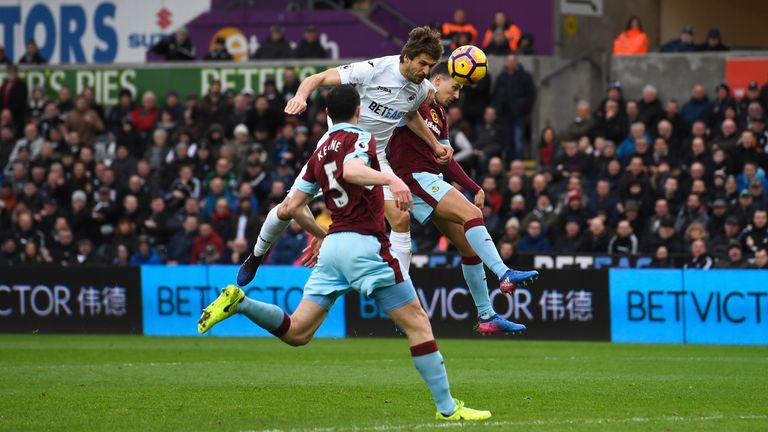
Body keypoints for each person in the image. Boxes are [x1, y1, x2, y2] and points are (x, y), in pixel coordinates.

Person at [198, 85, 491, 422]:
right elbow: (352, 172)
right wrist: (390, 180)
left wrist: (322, 235)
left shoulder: (320, 151)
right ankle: (447, 409)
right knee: (419, 325)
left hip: (335, 247)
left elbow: (292, 206)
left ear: (326, 115)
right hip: (364, 245)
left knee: (297, 333)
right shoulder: (362, 137)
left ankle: (240, 302)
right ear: (358, 111)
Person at [237, 27, 450, 288]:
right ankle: (256, 256)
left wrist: (435, 144)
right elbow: (318, 77)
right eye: (423, 64)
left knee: (402, 218)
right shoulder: (375, 69)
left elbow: (410, 115)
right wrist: (301, 96)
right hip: (339, 146)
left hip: (374, 156)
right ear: (406, 57)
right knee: (288, 209)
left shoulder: (420, 88)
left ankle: (400, 288)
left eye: (430, 66)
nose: (427, 71)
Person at [388, 61, 538, 334]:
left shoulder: (441, 116)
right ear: (436, 79)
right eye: (455, 87)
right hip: (414, 178)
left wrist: (474, 187)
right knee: (473, 215)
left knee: (470, 249)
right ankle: (504, 273)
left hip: (431, 179)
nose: (457, 95)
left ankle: (486, 316)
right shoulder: (414, 101)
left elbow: (446, 159)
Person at [493, 54, 535, 164]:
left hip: (519, 114)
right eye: (508, 61)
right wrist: (498, 108)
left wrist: (524, 107)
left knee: (518, 140)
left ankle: (518, 163)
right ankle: (508, 165)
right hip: (505, 114)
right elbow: (496, 94)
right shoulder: (501, 77)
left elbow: (531, 95)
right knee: (507, 141)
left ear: (516, 62)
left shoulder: (524, 76)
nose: (510, 63)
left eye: (512, 61)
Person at [0, 65, 28, 136]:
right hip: (4, 115)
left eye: (13, 71)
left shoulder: (21, 85)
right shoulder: (4, 85)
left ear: (16, 72)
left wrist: (10, 111)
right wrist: (3, 111)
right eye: (9, 71)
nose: (11, 73)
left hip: (16, 116)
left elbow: (21, 101)